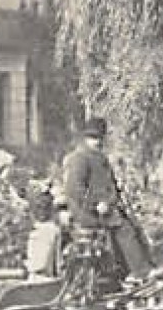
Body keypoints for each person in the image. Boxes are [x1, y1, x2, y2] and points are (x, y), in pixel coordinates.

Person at [61, 116, 155, 281]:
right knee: (124, 229)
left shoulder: (100, 158)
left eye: (99, 138)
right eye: (92, 138)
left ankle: (134, 269)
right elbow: (74, 189)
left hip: (105, 208)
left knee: (132, 225)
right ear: (85, 138)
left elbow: (112, 187)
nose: (96, 142)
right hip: (86, 212)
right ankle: (141, 271)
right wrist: (95, 205)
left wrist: (113, 201)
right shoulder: (80, 158)